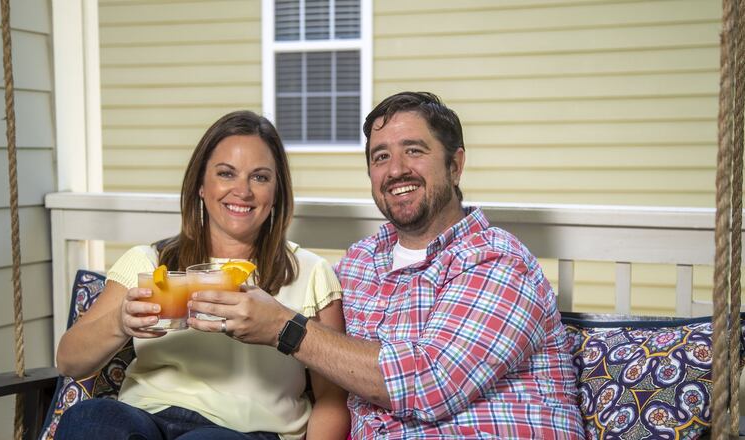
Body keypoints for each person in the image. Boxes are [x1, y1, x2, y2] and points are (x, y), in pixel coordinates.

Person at [190, 93, 584, 439]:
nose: (396, 170)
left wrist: (283, 327)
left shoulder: (497, 259)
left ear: (455, 164)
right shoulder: (358, 264)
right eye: (381, 157)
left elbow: (431, 383)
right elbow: (319, 367)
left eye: (414, 150)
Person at [54, 111, 350, 440]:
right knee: (89, 419)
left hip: (246, 432)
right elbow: (69, 362)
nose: (243, 191)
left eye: (260, 177)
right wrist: (119, 323)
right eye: (226, 173)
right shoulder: (150, 261)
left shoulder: (310, 272)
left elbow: (332, 398)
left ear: (277, 191)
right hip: (145, 418)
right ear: (200, 185)